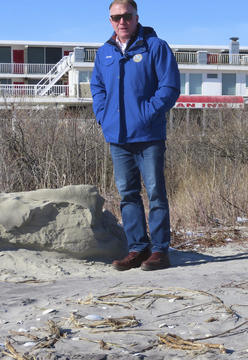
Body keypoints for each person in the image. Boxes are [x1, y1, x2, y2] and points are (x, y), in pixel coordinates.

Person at [90, 0, 180, 271]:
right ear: (110, 20)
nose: (122, 21)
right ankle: (138, 248)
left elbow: (169, 87)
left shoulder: (156, 47)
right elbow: (97, 88)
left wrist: (146, 114)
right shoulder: (104, 52)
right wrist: (104, 117)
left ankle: (161, 251)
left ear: (136, 16)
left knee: (155, 193)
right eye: (116, 17)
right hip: (117, 137)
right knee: (128, 194)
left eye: (126, 16)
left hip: (149, 135)